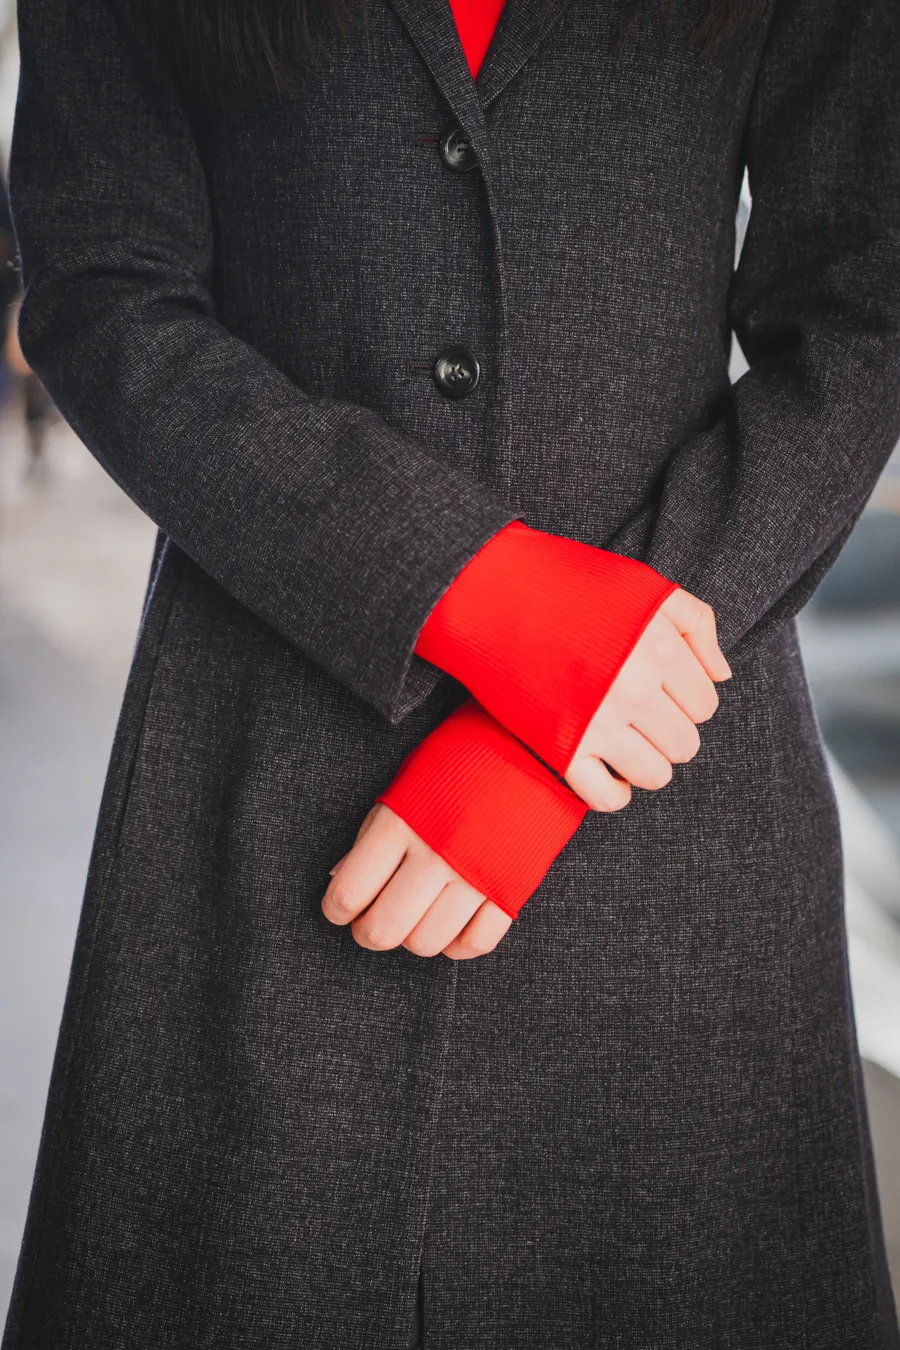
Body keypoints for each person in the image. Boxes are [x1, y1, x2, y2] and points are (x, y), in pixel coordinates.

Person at [3, 0, 899, 1345]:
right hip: (265, 769)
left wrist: (557, 716)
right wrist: (477, 596)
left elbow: (860, 319)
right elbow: (104, 294)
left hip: (665, 783)